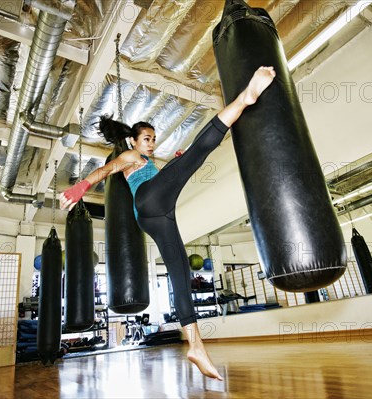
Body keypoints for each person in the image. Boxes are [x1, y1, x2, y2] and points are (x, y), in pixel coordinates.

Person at [60, 66, 276, 380]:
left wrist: (173, 165)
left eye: (153, 139)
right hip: (148, 202)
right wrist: (81, 187)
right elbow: (105, 172)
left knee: (180, 273)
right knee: (199, 151)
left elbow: (164, 180)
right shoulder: (130, 158)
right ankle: (245, 98)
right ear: (132, 141)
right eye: (146, 138)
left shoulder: (149, 162)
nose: (151, 143)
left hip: (159, 214)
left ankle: (196, 345)